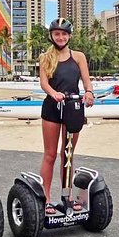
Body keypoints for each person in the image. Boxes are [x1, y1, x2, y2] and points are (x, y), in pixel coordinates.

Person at [38, 18, 94, 215]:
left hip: (72, 107)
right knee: (50, 154)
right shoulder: (45, 57)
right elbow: (43, 83)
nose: (60, 37)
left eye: (64, 34)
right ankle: (46, 198)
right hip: (52, 108)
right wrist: (53, 93)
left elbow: (86, 80)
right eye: (57, 34)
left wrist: (89, 92)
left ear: (69, 36)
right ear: (52, 36)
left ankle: (67, 196)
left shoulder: (78, 56)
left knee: (68, 153)